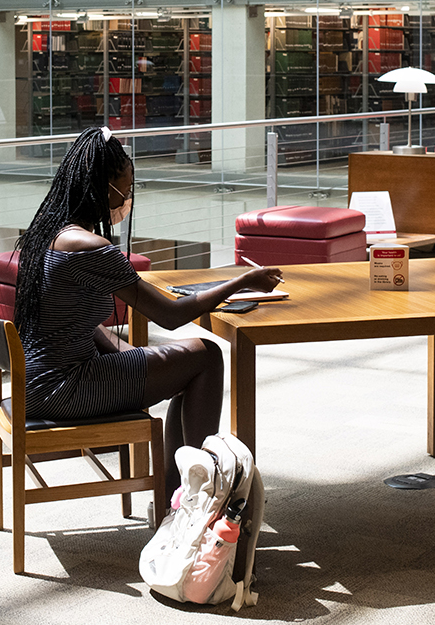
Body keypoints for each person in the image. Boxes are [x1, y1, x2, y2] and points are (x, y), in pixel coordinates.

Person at [14, 126, 282, 493]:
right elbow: (169, 317)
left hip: (34, 382)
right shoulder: (87, 247)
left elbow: (80, 323)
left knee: (184, 365)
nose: (128, 195)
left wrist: (131, 354)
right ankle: (198, 495)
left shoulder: (48, 233)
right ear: (104, 185)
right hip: (64, 387)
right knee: (206, 355)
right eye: (126, 187)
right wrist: (242, 281)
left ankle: (178, 496)